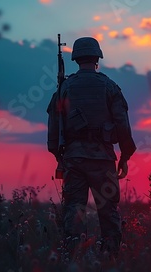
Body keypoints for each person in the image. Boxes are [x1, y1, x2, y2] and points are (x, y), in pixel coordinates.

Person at [46, 37, 136, 257]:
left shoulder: (65, 87)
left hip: (74, 160)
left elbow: (54, 124)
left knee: (74, 209)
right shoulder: (110, 86)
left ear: (76, 58)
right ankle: (110, 258)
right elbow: (122, 124)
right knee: (108, 211)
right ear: (97, 58)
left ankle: (75, 259)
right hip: (103, 160)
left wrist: (59, 156)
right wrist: (124, 156)